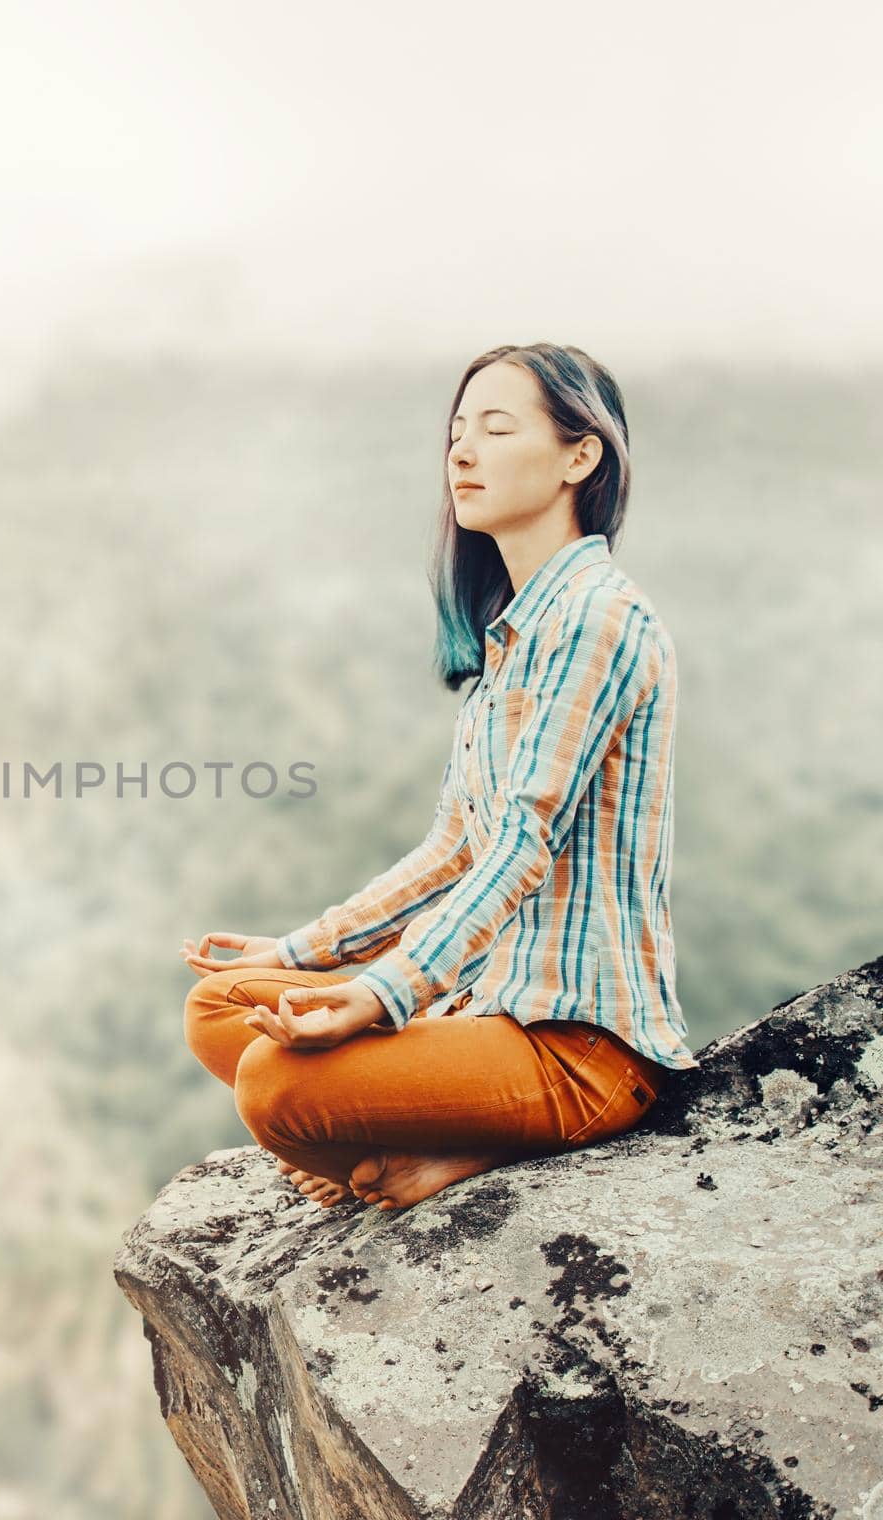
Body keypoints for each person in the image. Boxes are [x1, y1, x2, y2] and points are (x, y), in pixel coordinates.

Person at [183, 342, 699, 1213]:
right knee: (221, 1005)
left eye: (496, 428)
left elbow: (518, 848)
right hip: (487, 1007)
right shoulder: (512, 638)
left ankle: (461, 1144)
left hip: (579, 1046)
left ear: (582, 455)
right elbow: (453, 849)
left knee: (274, 1082)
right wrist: (302, 953)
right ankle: (426, 1132)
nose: (461, 452)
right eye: (457, 431)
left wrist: (381, 998)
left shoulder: (599, 619)